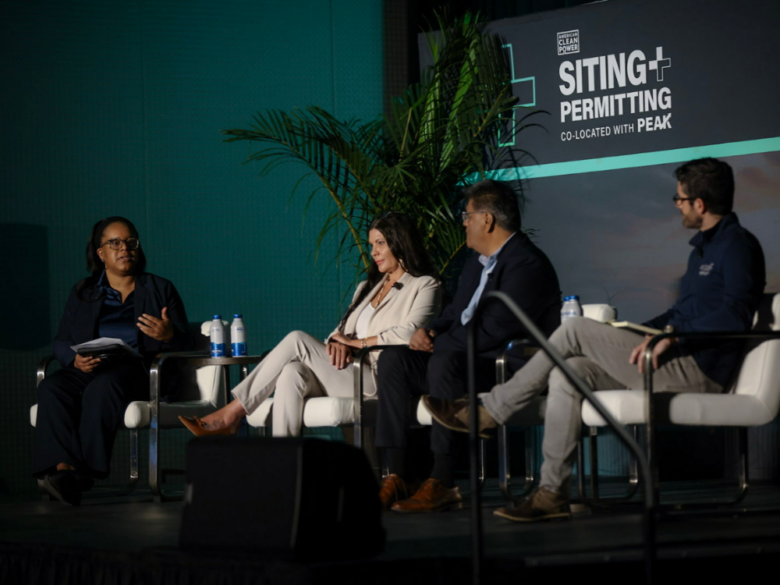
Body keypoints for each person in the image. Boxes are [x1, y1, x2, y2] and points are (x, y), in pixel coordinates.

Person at [425, 157, 766, 522]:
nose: (677, 205)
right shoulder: (702, 250)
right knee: (569, 372)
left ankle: (490, 411)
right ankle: (552, 492)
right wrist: (641, 331)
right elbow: (680, 314)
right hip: (673, 358)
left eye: (680, 199)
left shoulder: (738, 247)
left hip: (700, 370)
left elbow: (735, 315)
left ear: (700, 205)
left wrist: (674, 338)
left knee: (573, 329)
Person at [377, 180, 562, 512]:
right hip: (462, 356)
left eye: (468, 215)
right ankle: (398, 473)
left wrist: (439, 345)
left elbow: (495, 329)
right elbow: (454, 312)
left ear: (487, 220)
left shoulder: (526, 263)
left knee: (444, 361)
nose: (463, 222)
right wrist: (428, 332)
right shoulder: (476, 262)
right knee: (394, 359)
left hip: (505, 366)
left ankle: (443, 480)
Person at [180, 212, 442, 438]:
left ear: (399, 243)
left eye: (380, 243)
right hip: (345, 370)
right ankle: (286, 465)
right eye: (371, 244)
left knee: (297, 339)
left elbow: (411, 331)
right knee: (293, 370)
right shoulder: (367, 288)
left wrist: (357, 343)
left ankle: (231, 414)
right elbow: (338, 331)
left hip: (376, 376)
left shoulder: (424, 285)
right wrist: (336, 343)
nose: (372, 252)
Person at [33, 216, 195, 506]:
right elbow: (60, 340)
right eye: (115, 243)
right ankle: (63, 471)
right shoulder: (84, 292)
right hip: (94, 368)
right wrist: (73, 359)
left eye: (130, 242)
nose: (125, 248)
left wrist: (169, 334)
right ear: (101, 253)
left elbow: (187, 346)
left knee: (104, 385)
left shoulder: (160, 288)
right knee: (53, 387)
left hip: (144, 371)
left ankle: (85, 472)